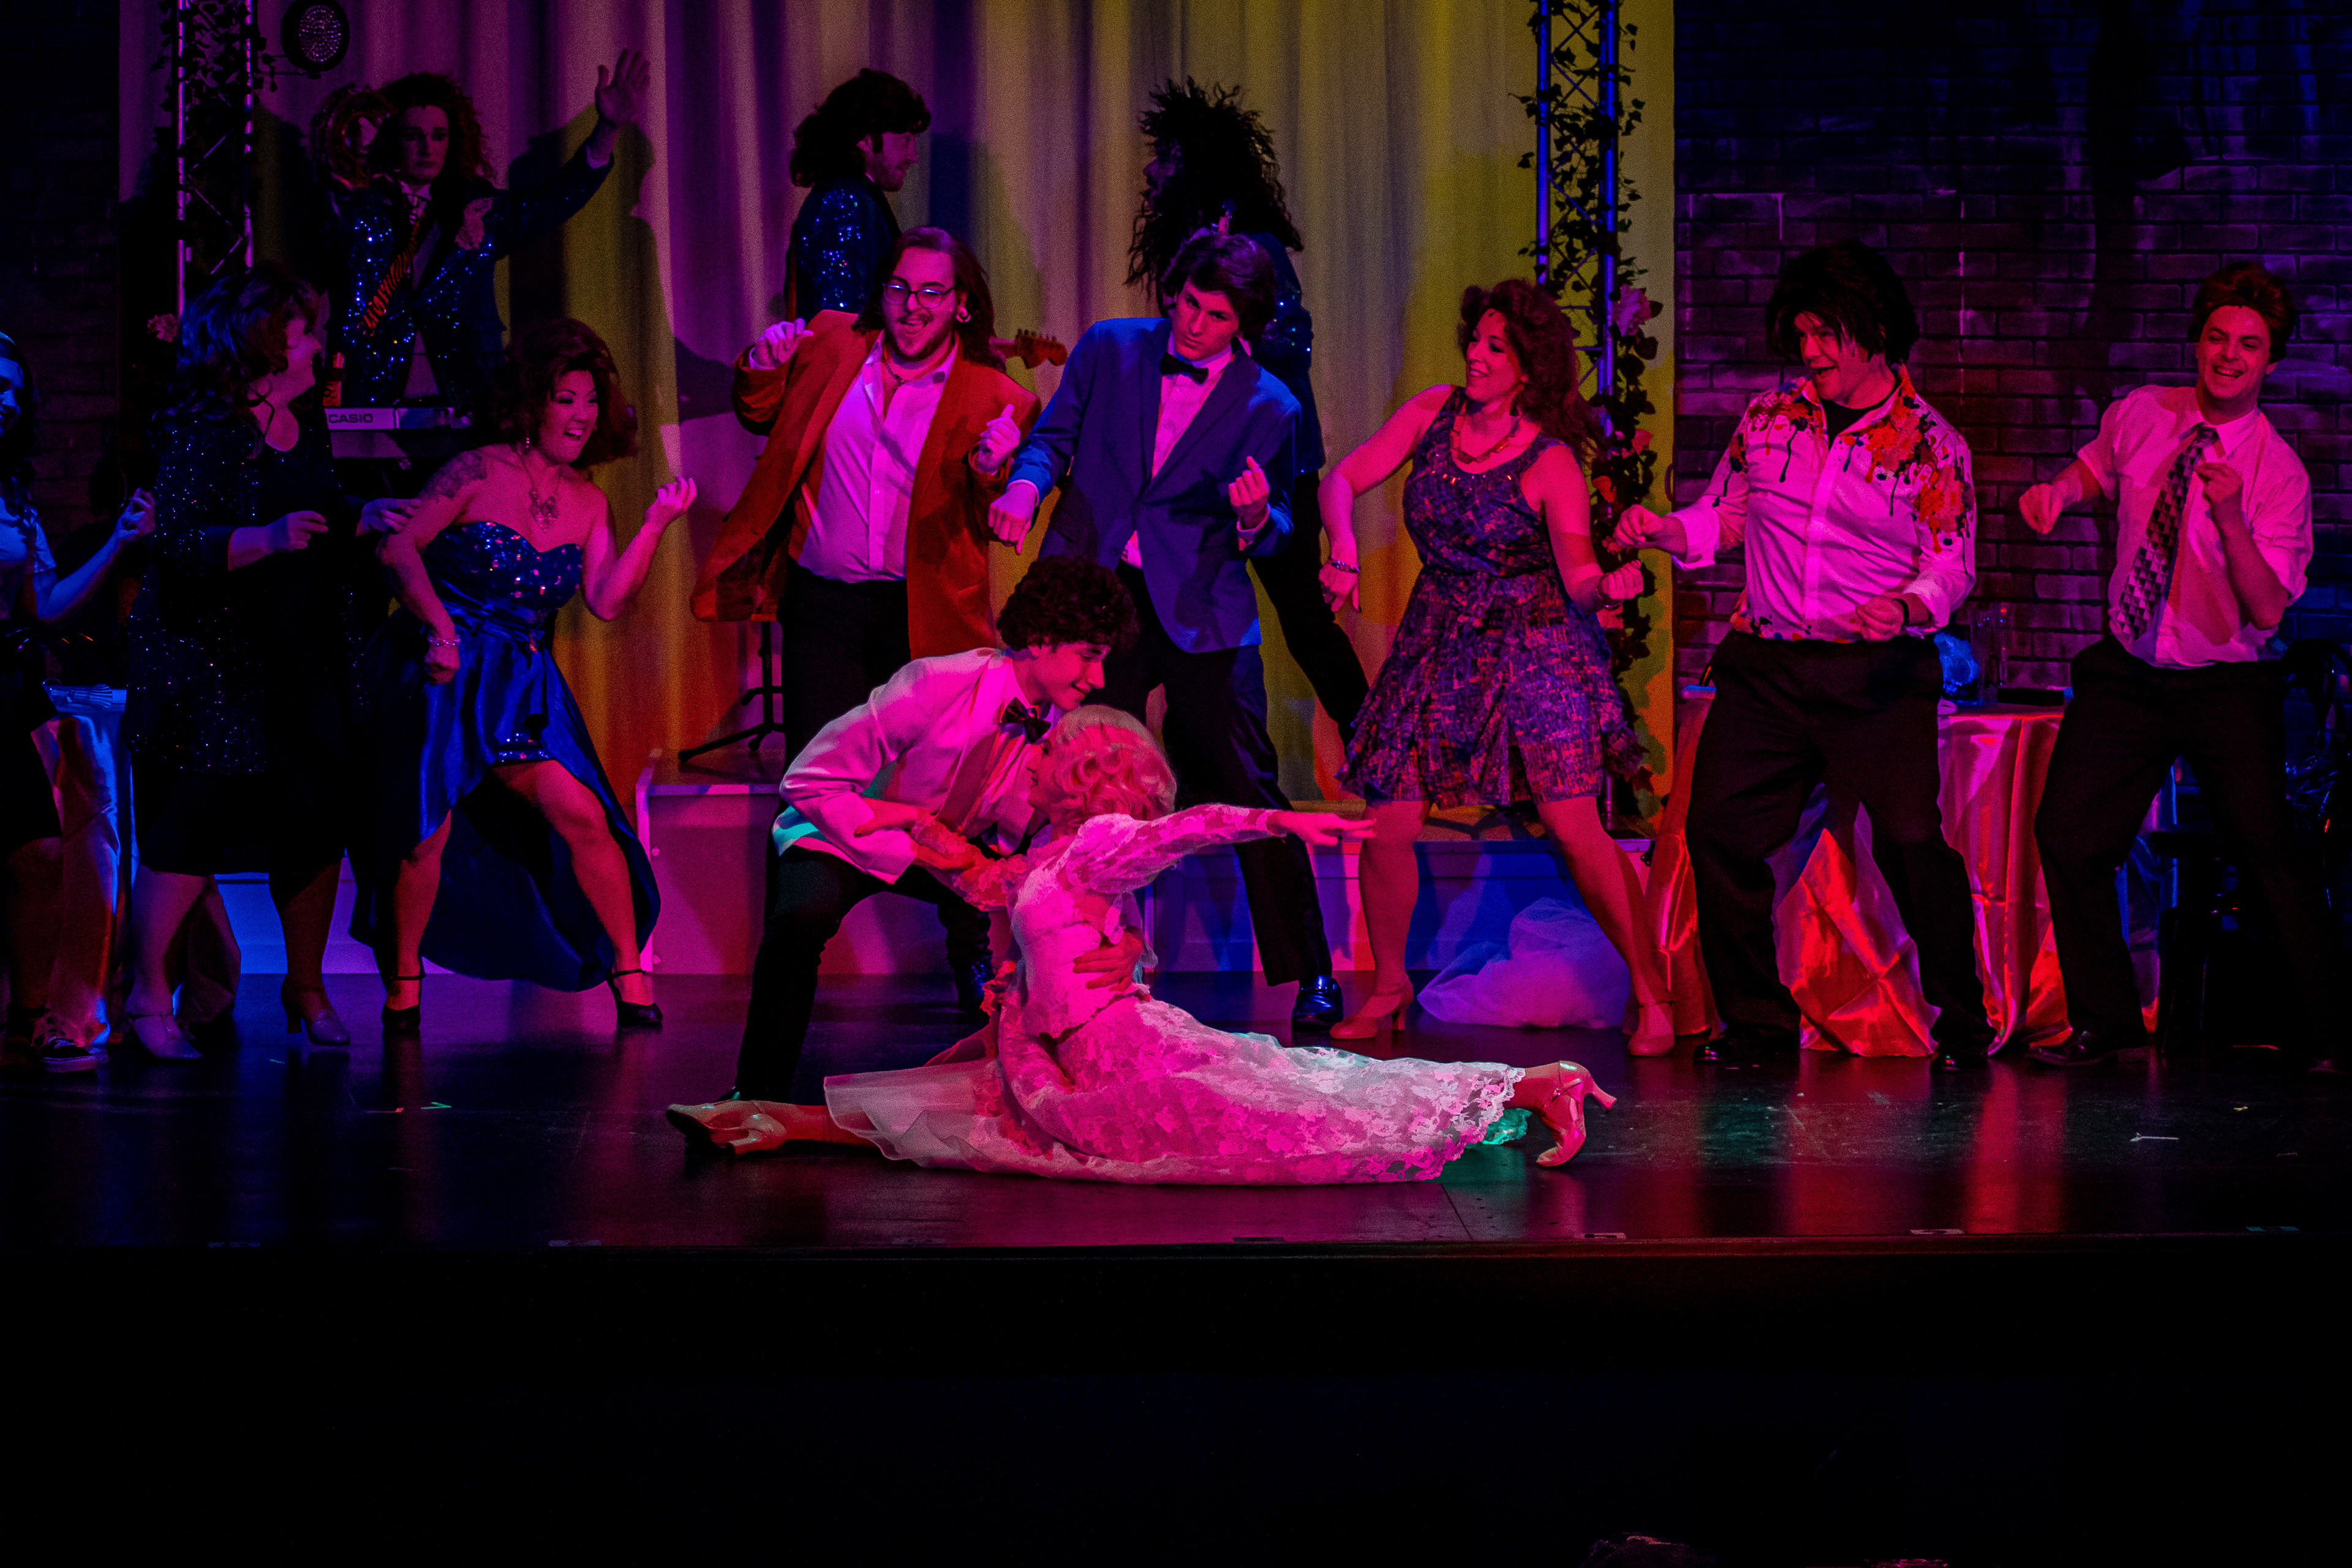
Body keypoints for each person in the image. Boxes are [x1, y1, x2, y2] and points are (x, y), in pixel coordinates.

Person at [669, 707, 1617, 1179]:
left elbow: (1184, 832)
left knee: (1305, 1112)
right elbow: (971, 875)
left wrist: (1282, 823)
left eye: (1047, 754)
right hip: (1054, 1051)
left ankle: (1536, 1084)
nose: (1031, 764)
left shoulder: (1100, 842)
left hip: (1118, 1050)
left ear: (1082, 773)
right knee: (951, 1102)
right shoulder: (1043, 859)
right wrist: (872, 814)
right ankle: (769, 1119)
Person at [1610, 239, 1993, 1071]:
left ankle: (1964, 1020)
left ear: (1876, 332)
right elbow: (1727, 514)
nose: (1810, 351)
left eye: (1827, 334)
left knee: (1909, 840)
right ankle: (1757, 1025)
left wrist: (1905, 607)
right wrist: (1668, 530)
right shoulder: (1769, 418)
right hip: (1770, 666)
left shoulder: (1931, 444)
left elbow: (1951, 563)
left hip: (1875, 674)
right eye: (1803, 335)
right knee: (1718, 833)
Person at [990, 230, 1346, 1031]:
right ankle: (1041, 963)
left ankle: (1311, 971)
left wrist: (1254, 517)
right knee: (1071, 774)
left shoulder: (1271, 404)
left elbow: (1280, 526)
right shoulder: (1111, 349)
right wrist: (1024, 487)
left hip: (1200, 605)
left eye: (1215, 316)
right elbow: (1053, 440)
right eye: (1187, 303)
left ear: (1242, 325)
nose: (1194, 324)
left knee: (1246, 781)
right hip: (1100, 587)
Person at [694, 227, 1041, 1011]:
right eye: (899, 288)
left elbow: (990, 508)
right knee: (812, 783)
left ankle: (968, 950)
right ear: (880, 293)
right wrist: (762, 360)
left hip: (925, 617)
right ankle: (788, 960)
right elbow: (757, 408)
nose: (912, 306)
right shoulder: (832, 344)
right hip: (825, 606)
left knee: (950, 794)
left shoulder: (996, 395)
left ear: (960, 306)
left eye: (931, 292)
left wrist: (995, 468)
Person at [1319, 282, 1668, 1049]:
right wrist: (1343, 547)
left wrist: (1607, 586)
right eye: (1475, 340)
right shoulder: (1432, 413)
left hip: (1534, 640)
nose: (1475, 355)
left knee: (1573, 824)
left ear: (1529, 368)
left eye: (1496, 347)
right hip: (1439, 634)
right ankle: (1389, 985)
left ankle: (1651, 987)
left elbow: (1578, 576)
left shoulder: (1551, 463)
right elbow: (1342, 478)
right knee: (1388, 818)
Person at [2019, 262, 2338, 1075]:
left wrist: (2229, 516)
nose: (2229, 356)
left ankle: (2325, 1035)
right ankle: (2106, 1021)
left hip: (2225, 680)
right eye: (2218, 338)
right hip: (2130, 670)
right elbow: (2096, 468)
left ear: (2270, 362)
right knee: (2069, 835)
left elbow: (2267, 610)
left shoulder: (2278, 473)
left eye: (2249, 346)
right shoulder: (2143, 412)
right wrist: (2058, 492)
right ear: (2198, 342)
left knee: (2267, 850)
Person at [695, 557, 1140, 1103]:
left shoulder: (1068, 730)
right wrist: (918, 845)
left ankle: (1045, 1092)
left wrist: (1132, 937)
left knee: (1040, 929)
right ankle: (755, 1096)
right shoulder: (937, 683)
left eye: (1103, 660)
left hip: (958, 850)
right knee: (799, 920)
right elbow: (808, 781)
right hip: (850, 831)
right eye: (1089, 656)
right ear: (1041, 639)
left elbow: (1083, 850)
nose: (1098, 679)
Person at [350, 319, 682, 1033]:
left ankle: (630, 973)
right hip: (443, 671)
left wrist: (657, 523)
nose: (582, 415)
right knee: (427, 830)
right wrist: (439, 629)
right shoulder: (475, 471)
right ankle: (404, 988)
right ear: (533, 402)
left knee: (583, 813)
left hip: (520, 684)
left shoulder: (588, 501)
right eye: (566, 399)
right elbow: (397, 549)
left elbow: (606, 600)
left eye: (591, 401)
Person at [123, 265, 409, 1058]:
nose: (319, 344)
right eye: (305, 330)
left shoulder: (302, 420)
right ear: (264, 340)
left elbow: (317, 504)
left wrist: (362, 515)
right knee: (190, 828)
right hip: (214, 666)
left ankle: (306, 988)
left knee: (313, 824)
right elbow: (175, 543)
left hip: (302, 654)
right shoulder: (208, 428)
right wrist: (263, 540)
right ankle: (146, 997)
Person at [1128, 79, 1368, 744]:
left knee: (1305, 620)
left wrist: (1227, 357)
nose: (1153, 171)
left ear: (1198, 169)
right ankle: (1176, 767)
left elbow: (1289, 344)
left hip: (1270, 470)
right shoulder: (1199, 253)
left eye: (1167, 158)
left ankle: (1379, 753)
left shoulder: (1250, 248)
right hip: (1200, 474)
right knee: (1175, 618)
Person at [0, 333, 156, 1071]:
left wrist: (120, 541)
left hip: (6, 687)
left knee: (40, 853)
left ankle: (28, 1020)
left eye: (13, 388)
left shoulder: (14, 496)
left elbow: (46, 606)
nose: (4, 399)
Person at [330, 53, 650, 411]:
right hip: (372, 386)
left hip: (468, 389)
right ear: (391, 139)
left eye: (438, 136)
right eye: (412, 136)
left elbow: (549, 204)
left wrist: (607, 130)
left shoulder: (475, 203)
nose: (427, 148)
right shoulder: (357, 205)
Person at [785, 69, 929, 321]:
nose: (913, 156)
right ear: (865, 141)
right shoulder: (842, 200)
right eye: (905, 141)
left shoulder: (850, 196)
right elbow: (840, 317)